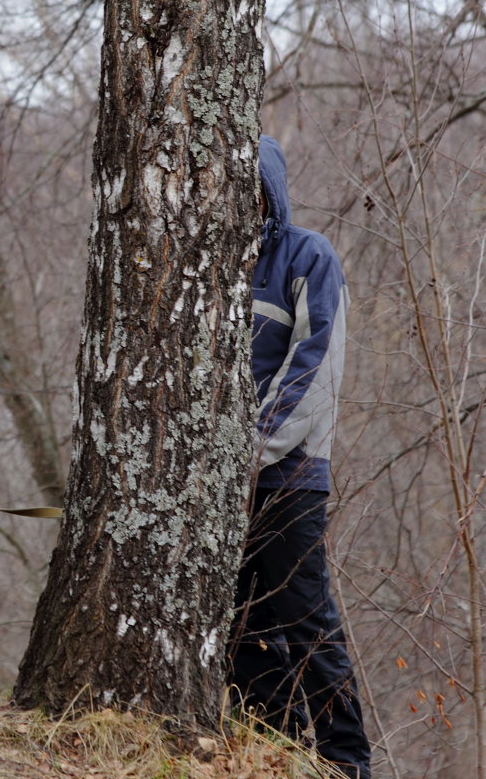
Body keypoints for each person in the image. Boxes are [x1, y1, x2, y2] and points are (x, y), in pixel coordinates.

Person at [227, 135, 372, 779]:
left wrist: (247, 453)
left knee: (309, 624)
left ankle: (347, 762)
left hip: (288, 478)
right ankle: (283, 757)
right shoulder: (210, 263)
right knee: (243, 632)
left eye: (248, 186)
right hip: (222, 489)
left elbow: (313, 370)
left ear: (268, 187)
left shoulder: (307, 257)